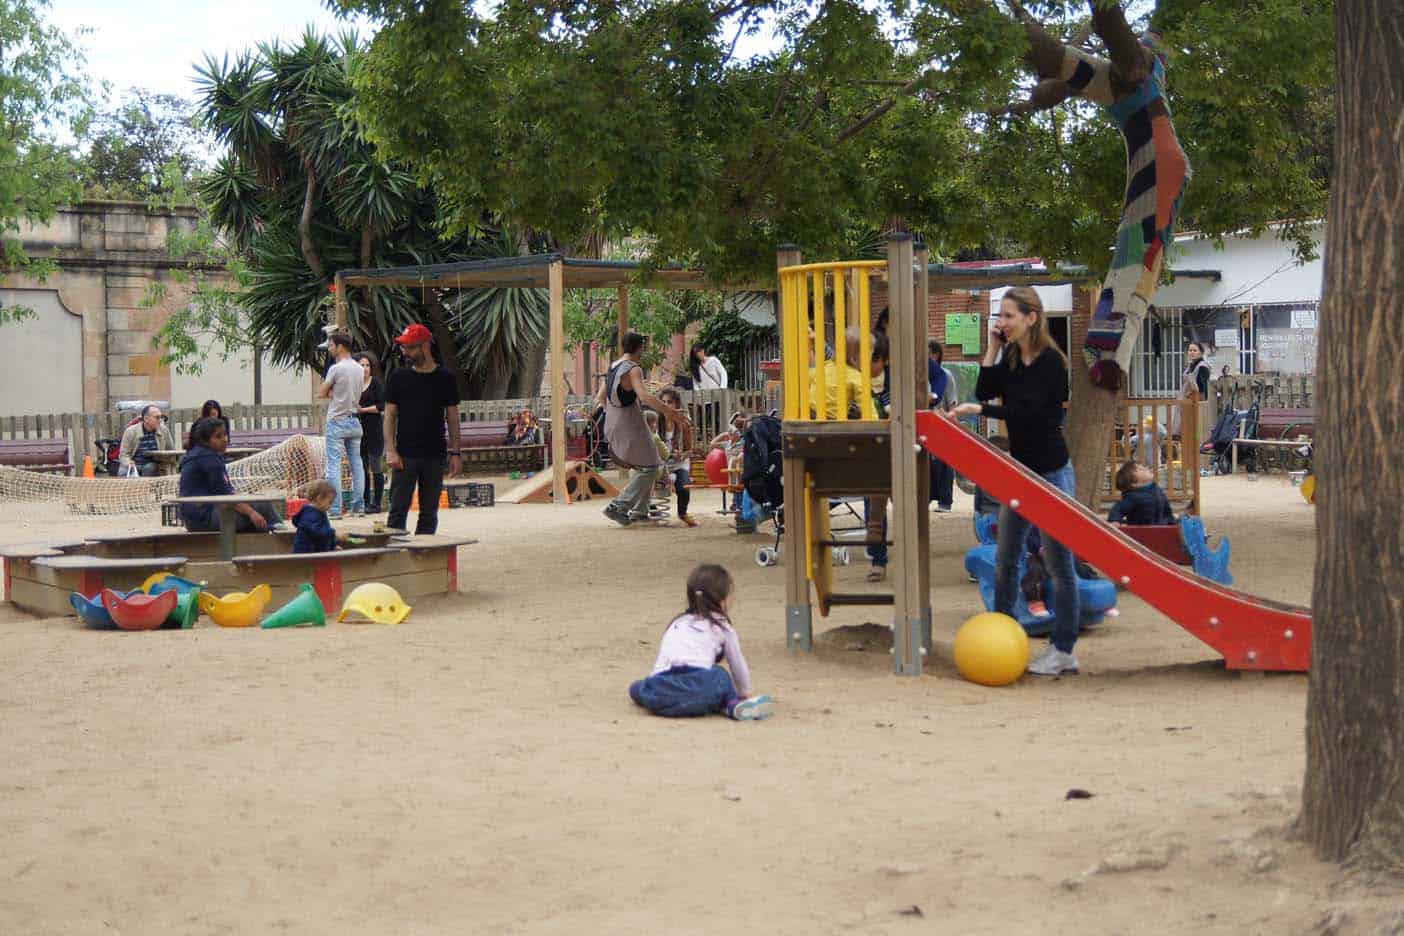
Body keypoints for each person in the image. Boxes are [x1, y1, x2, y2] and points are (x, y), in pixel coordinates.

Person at [951, 286, 1081, 677]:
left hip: (1052, 471)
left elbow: (1032, 415)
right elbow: (984, 388)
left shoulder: (1052, 363)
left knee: (1059, 564)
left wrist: (983, 409)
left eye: (1008, 316)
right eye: (1000, 317)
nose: (1002, 323)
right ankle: (1004, 637)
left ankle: (1063, 650)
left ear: (1031, 318)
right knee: (1007, 558)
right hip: (1019, 472)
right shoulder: (1010, 355)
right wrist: (992, 347)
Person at [628, 564, 774, 720]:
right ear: (723, 600)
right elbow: (737, 664)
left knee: (637, 687)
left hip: (661, 691)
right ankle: (732, 706)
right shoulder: (722, 625)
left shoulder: (677, 623)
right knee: (719, 674)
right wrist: (743, 692)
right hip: (701, 688)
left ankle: (655, 698)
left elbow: (660, 664)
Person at [599, 332, 687, 527]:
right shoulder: (633, 369)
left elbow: (600, 396)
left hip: (614, 423)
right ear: (640, 348)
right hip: (629, 424)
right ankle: (619, 506)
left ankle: (640, 511)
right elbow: (645, 397)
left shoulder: (613, 367)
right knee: (652, 467)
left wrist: (613, 414)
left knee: (646, 464)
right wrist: (670, 412)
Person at [384, 323, 462, 535]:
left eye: (410, 347)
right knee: (397, 509)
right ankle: (394, 555)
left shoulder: (446, 378)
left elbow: (452, 417)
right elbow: (389, 416)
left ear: (425, 346)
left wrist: (455, 452)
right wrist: (390, 449)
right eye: (403, 347)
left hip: (434, 455)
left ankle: (424, 555)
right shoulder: (398, 378)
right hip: (404, 454)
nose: (405, 352)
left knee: (429, 511)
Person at [178, 418, 282, 533]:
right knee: (263, 506)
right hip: (205, 520)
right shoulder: (210, 458)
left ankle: (274, 533)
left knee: (257, 514)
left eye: (225, 435)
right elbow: (226, 497)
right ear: (205, 441)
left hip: (191, 521)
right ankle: (284, 538)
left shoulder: (195, 454)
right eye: (218, 437)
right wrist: (251, 512)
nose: (224, 440)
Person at [319, 332, 365, 518]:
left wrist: (333, 393)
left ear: (340, 347)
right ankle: (358, 507)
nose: (329, 348)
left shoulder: (336, 369)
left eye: (331, 345)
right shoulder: (359, 368)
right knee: (357, 464)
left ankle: (335, 509)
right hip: (355, 420)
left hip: (337, 420)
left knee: (334, 466)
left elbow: (322, 392)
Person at [809, 328, 878, 421]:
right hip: (829, 420)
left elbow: (811, 375)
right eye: (870, 354)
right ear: (857, 356)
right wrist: (874, 422)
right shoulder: (856, 376)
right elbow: (866, 404)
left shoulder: (826, 366)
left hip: (808, 412)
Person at [657, 387, 698, 527]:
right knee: (649, 482)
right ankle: (651, 511)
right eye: (663, 402)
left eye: (670, 402)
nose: (666, 405)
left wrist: (681, 455)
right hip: (660, 463)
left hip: (679, 463)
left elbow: (689, 449)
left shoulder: (684, 423)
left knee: (684, 487)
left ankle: (683, 513)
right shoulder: (655, 422)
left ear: (676, 404)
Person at [928, 341, 958, 512]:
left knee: (944, 463)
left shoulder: (945, 375)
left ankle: (945, 502)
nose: (930, 358)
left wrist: (952, 422)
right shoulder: (921, 376)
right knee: (930, 465)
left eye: (932, 354)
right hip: (927, 423)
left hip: (942, 421)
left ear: (938, 355)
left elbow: (952, 402)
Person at [354, 352, 387, 513]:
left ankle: (377, 503)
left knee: (376, 467)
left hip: (374, 430)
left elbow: (382, 406)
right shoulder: (353, 384)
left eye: (367, 365)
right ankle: (365, 502)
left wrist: (363, 410)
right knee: (362, 467)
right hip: (358, 432)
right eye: (362, 365)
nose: (365, 368)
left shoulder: (376, 384)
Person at [1109, 461, 1176, 526]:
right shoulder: (1132, 496)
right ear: (1134, 483)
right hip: (1140, 532)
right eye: (1141, 469)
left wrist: (1173, 524)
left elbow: (1167, 512)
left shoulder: (1158, 491)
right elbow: (1118, 509)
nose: (1146, 468)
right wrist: (1115, 521)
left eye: (1144, 467)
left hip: (1161, 529)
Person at [292, 479, 350, 553]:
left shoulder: (320, 512)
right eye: (330, 502)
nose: (330, 506)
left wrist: (332, 546)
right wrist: (335, 535)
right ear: (319, 498)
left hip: (316, 554)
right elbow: (318, 532)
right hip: (305, 555)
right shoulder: (310, 515)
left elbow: (323, 536)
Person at [118, 404, 175, 477]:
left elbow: (171, 450)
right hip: (134, 463)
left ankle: (147, 488)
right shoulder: (130, 431)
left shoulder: (164, 430)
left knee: (150, 468)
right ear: (146, 418)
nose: (160, 420)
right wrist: (128, 463)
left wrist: (163, 459)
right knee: (123, 472)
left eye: (161, 417)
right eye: (157, 417)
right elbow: (123, 454)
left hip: (154, 464)